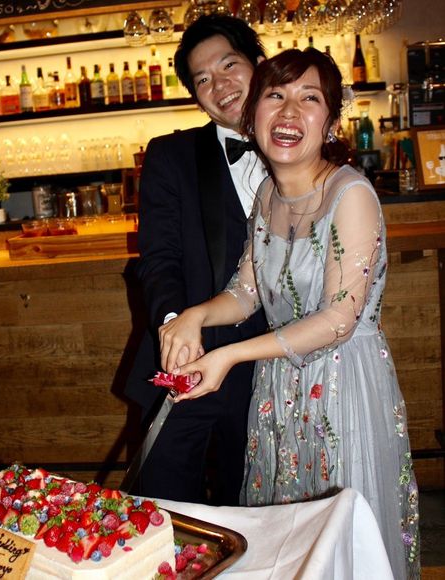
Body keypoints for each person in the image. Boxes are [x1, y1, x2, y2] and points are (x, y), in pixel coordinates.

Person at [159, 49, 420, 579]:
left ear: (330, 120)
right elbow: (247, 291)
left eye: (309, 98)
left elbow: (339, 320)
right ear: (253, 114)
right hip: (279, 388)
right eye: (275, 95)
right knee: (288, 542)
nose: (289, 111)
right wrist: (193, 317)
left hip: (344, 387)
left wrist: (230, 355)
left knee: (342, 543)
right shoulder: (267, 195)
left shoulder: (351, 194)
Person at [124, 14, 267, 505]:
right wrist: (173, 325)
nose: (219, 85)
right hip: (189, 363)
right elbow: (158, 257)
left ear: (259, 64)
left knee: (254, 514)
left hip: (278, 373)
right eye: (203, 79)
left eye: (229, 66)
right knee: (161, 506)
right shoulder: (171, 155)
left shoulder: (303, 148)